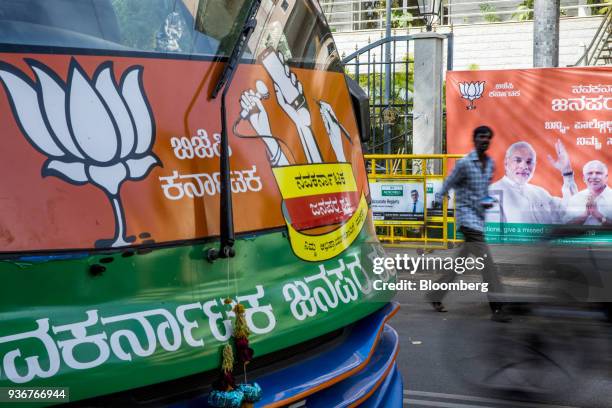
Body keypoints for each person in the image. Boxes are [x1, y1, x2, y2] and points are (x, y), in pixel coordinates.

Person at [428, 125, 509, 322]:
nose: (484, 140)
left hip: (478, 220)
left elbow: (482, 192)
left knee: (460, 263)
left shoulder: (489, 164)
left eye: (488, 137)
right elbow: (448, 184)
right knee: (487, 265)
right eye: (481, 137)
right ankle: (498, 308)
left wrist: (486, 201)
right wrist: (434, 206)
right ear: (474, 139)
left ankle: (435, 294)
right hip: (467, 220)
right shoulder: (464, 163)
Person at [486, 140, 577, 224]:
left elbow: (569, 212)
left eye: (529, 162)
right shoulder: (492, 193)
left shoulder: (541, 193)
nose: (524, 166)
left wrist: (567, 171)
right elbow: (494, 235)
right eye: (518, 160)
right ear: (506, 163)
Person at [563, 160, 612, 225]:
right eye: (590, 173)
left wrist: (598, 215)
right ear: (584, 178)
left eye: (598, 173)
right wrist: (585, 215)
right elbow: (566, 227)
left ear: (606, 178)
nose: (594, 177)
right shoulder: (575, 199)